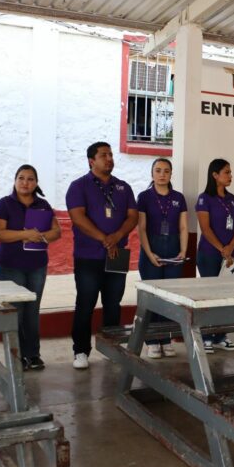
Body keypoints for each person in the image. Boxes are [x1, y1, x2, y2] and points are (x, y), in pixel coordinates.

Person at [67, 142, 138, 370]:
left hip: (117, 255)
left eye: (111, 154)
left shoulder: (123, 187)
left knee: (113, 303)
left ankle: (111, 348)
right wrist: (104, 239)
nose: (109, 158)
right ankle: (80, 350)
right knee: (85, 303)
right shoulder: (79, 186)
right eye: (103, 155)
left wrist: (116, 237)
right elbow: (78, 218)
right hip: (88, 255)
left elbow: (133, 216)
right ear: (91, 161)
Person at [0, 165, 61, 371]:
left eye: (30, 179)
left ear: (36, 183)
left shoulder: (43, 205)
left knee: (32, 311)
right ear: (15, 181)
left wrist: (40, 236)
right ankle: (16, 357)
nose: (25, 182)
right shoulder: (5, 203)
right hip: (10, 265)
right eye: (21, 178)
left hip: (37, 266)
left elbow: (56, 231)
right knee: (17, 311)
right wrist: (25, 234)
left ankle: (33, 355)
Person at [136, 158, 188, 358]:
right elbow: (141, 228)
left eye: (166, 171)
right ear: (152, 173)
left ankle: (166, 339)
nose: (162, 174)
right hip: (152, 249)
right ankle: (151, 341)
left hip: (173, 250)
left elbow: (183, 226)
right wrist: (150, 254)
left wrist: (183, 251)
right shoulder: (144, 197)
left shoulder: (178, 198)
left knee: (170, 298)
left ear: (171, 174)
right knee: (153, 297)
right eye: (158, 170)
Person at [196, 159, 234, 354]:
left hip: (229, 256)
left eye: (230, 172)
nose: (230, 176)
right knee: (210, 296)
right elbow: (205, 228)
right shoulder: (204, 198)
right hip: (209, 254)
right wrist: (222, 248)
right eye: (226, 172)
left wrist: (230, 248)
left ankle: (221, 336)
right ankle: (206, 337)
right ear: (215, 175)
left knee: (225, 296)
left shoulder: (232, 198)